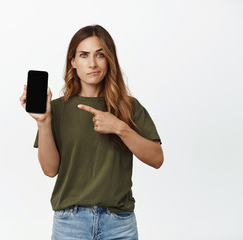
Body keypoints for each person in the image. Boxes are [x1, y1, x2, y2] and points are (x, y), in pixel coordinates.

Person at [19, 24, 164, 240]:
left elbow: (157, 158)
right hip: (70, 222)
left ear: (110, 60)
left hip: (119, 223)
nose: (92, 63)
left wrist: (120, 128)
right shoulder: (57, 109)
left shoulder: (129, 107)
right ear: (73, 62)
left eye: (100, 55)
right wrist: (43, 122)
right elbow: (50, 170)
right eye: (84, 55)